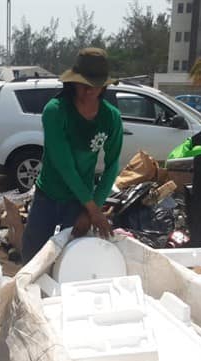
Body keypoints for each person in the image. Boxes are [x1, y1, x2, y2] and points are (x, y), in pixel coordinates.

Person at [21, 48, 124, 262]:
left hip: (80, 201)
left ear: (103, 85)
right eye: (82, 85)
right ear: (72, 82)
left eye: (94, 86)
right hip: (47, 195)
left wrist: (89, 210)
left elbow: (112, 165)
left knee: (75, 258)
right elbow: (64, 165)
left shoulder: (111, 117)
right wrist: (95, 211)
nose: (88, 91)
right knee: (33, 256)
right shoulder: (56, 111)